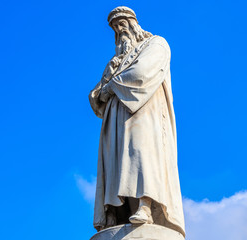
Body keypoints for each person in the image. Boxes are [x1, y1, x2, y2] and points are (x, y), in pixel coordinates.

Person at [89, 6, 185, 237]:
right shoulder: (116, 61)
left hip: (144, 113)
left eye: (122, 24)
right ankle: (117, 210)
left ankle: (145, 206)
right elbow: (97, 94)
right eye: (115, 27)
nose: (119, 29)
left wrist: (111, 86)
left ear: (133, 23)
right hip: (116, 120)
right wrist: (102, 90)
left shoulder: (155, 44)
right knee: (118, 162)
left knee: (143, 156)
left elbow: (142, 73)